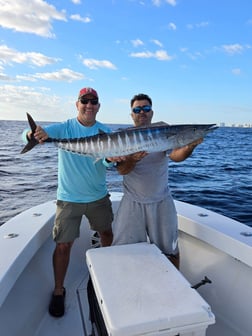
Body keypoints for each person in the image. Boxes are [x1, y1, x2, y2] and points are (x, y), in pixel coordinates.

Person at [24, 87, 123, 318]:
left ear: (99, 106)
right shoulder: (64, 127)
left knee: (107, 233)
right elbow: (27, 135)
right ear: (77, 104)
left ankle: (104, 272)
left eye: (94, 101)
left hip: (98, 196)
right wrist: (32, 135)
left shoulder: (105, 132)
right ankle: (59, 290)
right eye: (84, 101)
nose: (89, 105)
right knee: (63, 245)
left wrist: (110, 159)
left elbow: (108, 164)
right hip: (68, 198)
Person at [112, 93, 203, 269]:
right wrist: (132, 159)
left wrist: (190, 146)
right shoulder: (124, 136)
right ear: (132, 114)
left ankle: (175, 287)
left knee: (171, 250)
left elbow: (176, 156)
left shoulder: (163, 129)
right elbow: (122, 170)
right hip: (132, 201)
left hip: (162, 200)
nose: (142, 112)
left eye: (146, 108)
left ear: (152, 112)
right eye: (137, 109)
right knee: (123, 250)